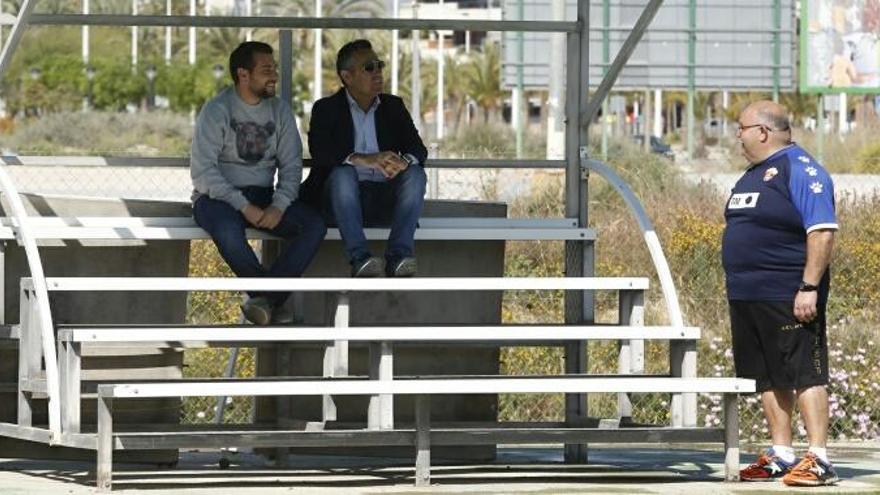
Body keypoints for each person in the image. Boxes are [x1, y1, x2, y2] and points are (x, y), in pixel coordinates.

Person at [723, 101, 838, 486]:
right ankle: (782, 454)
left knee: (804, 372)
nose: (737, 135)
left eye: (741, 128)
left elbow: (821, 230)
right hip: (747, 294)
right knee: (767, 375)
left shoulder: (801, 169)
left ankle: (819, 457)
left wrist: (808, 286)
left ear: (762, 131)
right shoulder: (752, 175)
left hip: (788, 293)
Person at [191, 41, 326, 325]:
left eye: (274, 68)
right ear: (243, 74)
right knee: (227, 228)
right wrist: (243, 206)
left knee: (313, 225)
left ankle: (265, 302)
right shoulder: (217, 110)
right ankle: (271, 299)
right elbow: (203, 172)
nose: (274, 75)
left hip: (265, 197)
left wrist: (279, 205)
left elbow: (292, 166)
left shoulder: (280, 111)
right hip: (217, 200)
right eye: (267, 70)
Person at [302, 39, 428, 277]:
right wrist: (362, 159)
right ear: (347, 76)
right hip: (342, 203)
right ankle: (360, 258)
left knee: (416, 173)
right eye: (369, 68)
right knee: (342, 173)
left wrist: (405, 162)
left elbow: (418, 148)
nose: (378, 72)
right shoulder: (326, 108)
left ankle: (399, 256)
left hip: (384, 199)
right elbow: (320, 152)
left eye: (379, 65)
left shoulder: (393, 106)